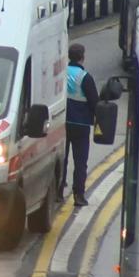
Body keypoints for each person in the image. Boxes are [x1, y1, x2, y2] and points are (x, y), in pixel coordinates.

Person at [59, 43, 100, 207]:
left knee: (62, 158)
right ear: (82, 57)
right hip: (80, 124)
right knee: (80, 161)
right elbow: (94, 102)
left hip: (61, 123)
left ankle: (58, 191)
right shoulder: (85, 77)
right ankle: (79, 195)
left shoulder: (61, 72)